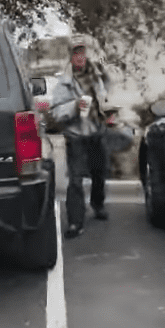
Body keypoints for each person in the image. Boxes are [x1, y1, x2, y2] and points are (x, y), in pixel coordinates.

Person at [49, 39, 114, 239]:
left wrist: (107, 113)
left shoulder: (95, 76)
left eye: (82, 53)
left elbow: (105, 97)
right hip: (76, 135)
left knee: (99, 172)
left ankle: (98, 204)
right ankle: (75, 222)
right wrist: (75, 106)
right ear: (70, 56)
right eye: (76, 53)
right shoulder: (64, 82)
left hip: (96, 131)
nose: (80, 57)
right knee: (76, 180)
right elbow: (56, 112)